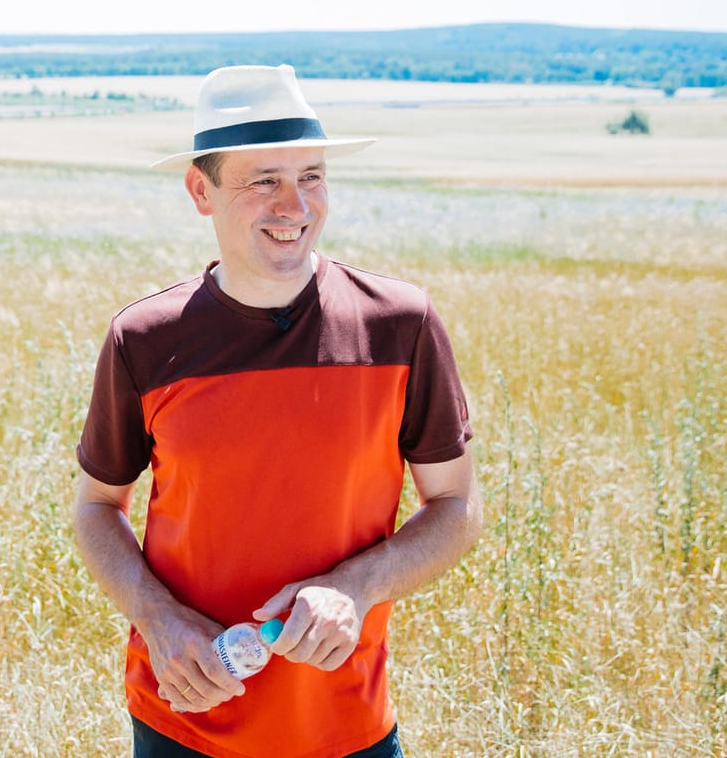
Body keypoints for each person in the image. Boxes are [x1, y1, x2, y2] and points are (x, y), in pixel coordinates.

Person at [72, 64, 483, 758]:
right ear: (201, 190)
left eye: (312, 176)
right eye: (264, 180)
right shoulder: (145, 338)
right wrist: (159, 620)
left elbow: (457, 505)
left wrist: (359, 586)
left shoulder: (399, 323)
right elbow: (96, 506)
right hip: (183, 720)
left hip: (347, 725)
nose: (295, 205)